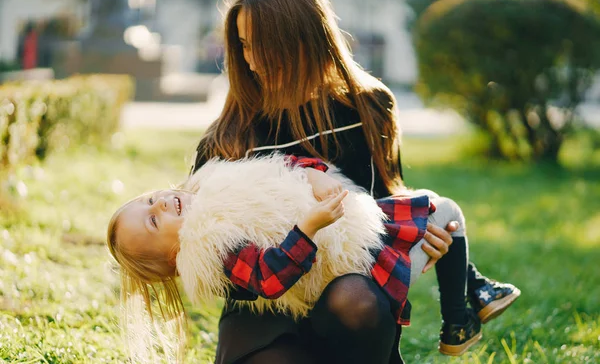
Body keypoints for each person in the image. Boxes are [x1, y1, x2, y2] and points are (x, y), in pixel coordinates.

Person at [189, 0, 520, 363]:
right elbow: (204, 246)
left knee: (356, 298)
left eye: (265, 44)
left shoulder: (367, 108)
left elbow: (383, 201)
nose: (252, 60)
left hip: (347, 296)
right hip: (265, 304)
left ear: (308, 38)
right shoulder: (228, 137)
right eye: (243, 45)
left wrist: (428, 236)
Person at [108, 154, 468, 363]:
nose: (157, 203)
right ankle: (458, 316)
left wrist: (313, 173)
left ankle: (463, 312)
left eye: (145, 200)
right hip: (357, 262)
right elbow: (269, 277)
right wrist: (306, 229)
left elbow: (280, 166)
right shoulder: (210, 245)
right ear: (173, 256)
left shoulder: (215, 184)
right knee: (446, 211)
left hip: (361, 225)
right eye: (153, 220)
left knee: (443, 209)